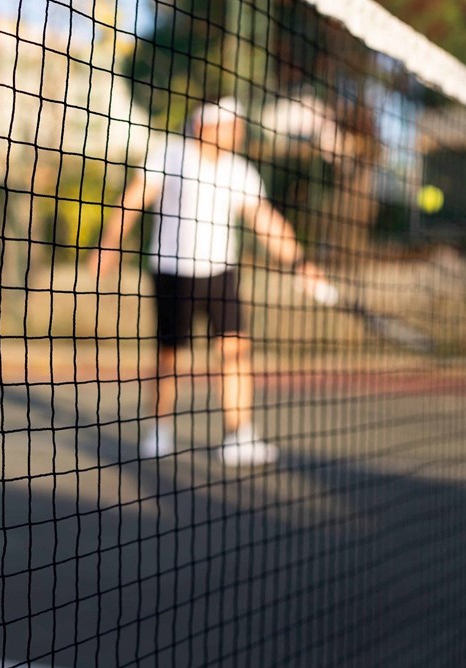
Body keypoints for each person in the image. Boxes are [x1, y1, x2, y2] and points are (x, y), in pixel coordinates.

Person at [90, 98, 337, 465]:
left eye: (238, 124)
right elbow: (132, 201)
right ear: (204, 126)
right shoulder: (170, 155)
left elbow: (266, 221)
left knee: (236, 349)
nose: (237, 131)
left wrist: (301, 263)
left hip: (221, 271)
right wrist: (107, 246)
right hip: (172, 271)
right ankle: (159, 430)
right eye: (230, 124)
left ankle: (239, 436)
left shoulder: (240, 171)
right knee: (169, 355)